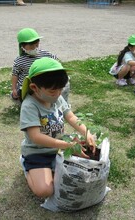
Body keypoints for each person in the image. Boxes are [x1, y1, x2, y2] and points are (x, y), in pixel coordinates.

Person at [19, 57, 96, 198]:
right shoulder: (29, 106)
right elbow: (36, 137)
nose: (59, 94)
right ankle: (26, 167)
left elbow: (71, 117)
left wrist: (87, 132)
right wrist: (68, 146)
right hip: (37, 153)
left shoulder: (57, 98)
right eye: (53, 91)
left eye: (61, 89)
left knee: (74, 178)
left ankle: (52, 168)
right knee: (45, 191)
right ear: (34, 88)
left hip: (59, 148)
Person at [11, 28, 70, 105]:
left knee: (61, 86)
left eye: (36, 45)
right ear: (22, 46)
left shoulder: (46, 54)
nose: (35, 48)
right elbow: (15, 75)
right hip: (27, 87)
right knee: (23, 97)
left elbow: (57, 64)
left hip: (43, 82)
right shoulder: (19, 60)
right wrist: (14, 89)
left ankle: (61, 105)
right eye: (31, 47)